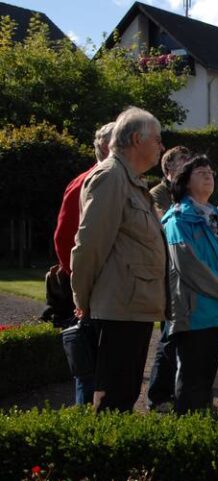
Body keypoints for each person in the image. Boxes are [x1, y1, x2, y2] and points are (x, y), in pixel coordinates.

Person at [70, 106, 167, 413]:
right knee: (112, 401)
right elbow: (89, 246)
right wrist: (83, 300)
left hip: (131, 307)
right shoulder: (112, 177)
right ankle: (102, 461)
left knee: (123, 398)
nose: (161, 147)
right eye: (157, 139)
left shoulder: (131, 180)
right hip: (117, 310)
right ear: (137, 139)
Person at [163, 155, 218, 413]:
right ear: (185, 181)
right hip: (195, 308)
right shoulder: (177, 218)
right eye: (201, 172)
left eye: (210, 171)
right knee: (191, 378)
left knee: (207, 376)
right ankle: (188, 427)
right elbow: (189, 265)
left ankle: (201, 425)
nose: (209, 175)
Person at [50, 121, 114, 406]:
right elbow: (65, 239)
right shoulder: (84, 183)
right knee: (89, 371)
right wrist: (81, 286)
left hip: (112, 290)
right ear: (104, 147)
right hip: (92, 292)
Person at [146, 145, 192, 412]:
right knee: (168, 336)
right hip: (168, 274)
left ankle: (173, 391)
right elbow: (165, 228)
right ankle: (157, 395)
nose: (188, 167)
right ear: (169, 168)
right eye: (183, 162)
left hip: (184, 274)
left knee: (180, 336)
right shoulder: (158, 195)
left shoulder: (185, 193)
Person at [150, 146, 191, 217]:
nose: (188, 162)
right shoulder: (157, 193)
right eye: (182, 158)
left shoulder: (191, 192)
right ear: (169, 165)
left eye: (189, 159)